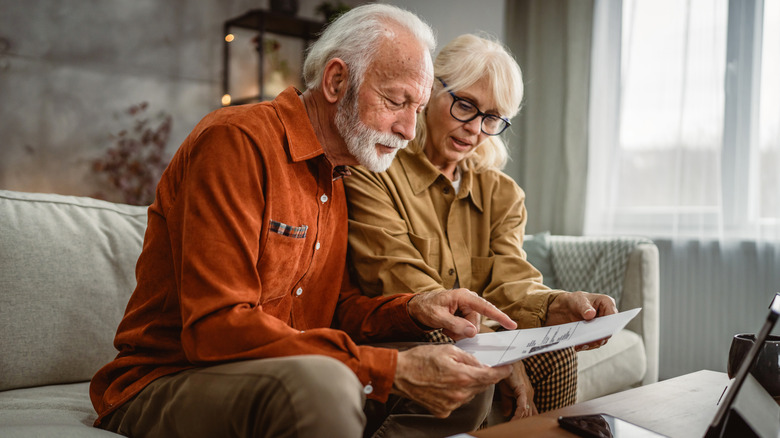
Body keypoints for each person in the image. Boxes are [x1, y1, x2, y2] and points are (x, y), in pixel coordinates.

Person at [89, 7, 521, 438]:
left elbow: (333, 311)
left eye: (419, 107)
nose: (410, 129)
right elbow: (214, 331)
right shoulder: (237, 142)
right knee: (324, 385)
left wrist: (414, 309)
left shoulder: (338, 172)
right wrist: (391, 367)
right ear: (336, 81)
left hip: (287, 373)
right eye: (396, 100)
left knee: (464, 381)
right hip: (167, 378)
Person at [344, 33, 618, 423]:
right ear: (428, 91)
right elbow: (400, 280)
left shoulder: (503, 194)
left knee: (555, 356)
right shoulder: (375, 170)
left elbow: (510, 281)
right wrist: (495, 346)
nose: (475, 128)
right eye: (465, 105)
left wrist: (560, 304)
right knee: (456, 343)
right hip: (407, 328)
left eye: (492, 118)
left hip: (474, 330)